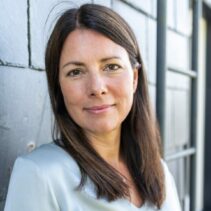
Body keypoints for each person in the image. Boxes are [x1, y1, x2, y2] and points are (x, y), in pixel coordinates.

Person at [4, 3, 181, 211]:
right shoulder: (38, 175)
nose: (96, 88)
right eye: (76, 72)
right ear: (59, 86)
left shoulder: (159, 171)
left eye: (111, 67)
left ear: (134, 78)